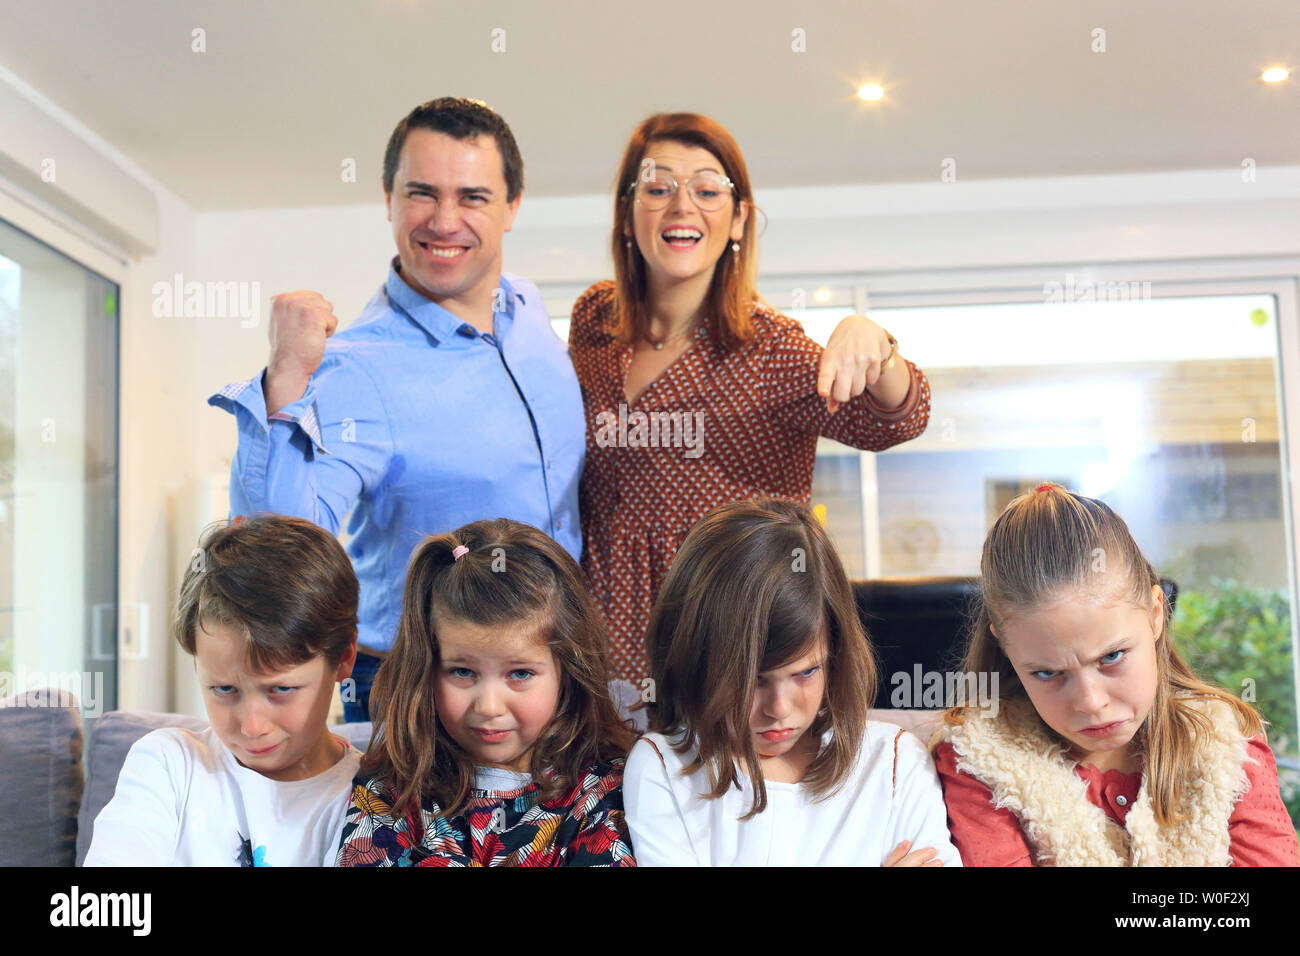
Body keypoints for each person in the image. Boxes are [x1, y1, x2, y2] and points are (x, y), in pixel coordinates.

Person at [209, 98, 583, 721]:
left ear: (512, 206)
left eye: (472, 197)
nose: (444, 220)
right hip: (420, 684)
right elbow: (275, 545)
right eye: (422, 193)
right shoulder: (354, 365)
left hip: (550, 670)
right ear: (387, 198)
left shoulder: (529, 310)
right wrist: (285, 378)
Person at [570, 113, 932, 687]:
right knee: (606, 782)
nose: (681, 206)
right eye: (657, 187)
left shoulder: (768, 348)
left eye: (707, 190)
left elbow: (897, 420)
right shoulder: (594, 321)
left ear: (738, 219)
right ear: (626, 213)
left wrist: (876, 344)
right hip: (593, 655)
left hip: (727, 651)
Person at [934, 483, 1299, 866]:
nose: (1091, 702)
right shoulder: (978, 760)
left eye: (1112, 657)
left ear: (1157, 613)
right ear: (1006, 649)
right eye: (1046, 672)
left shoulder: (1225, 743)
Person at [622, 498, 960, 866]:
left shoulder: (896, 762)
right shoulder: (664, 767)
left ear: (836, 652)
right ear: (697, 660)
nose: (779, 709)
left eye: (805, 672)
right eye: (752, 680)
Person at [335, 518, 636, 866]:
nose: (489, 706)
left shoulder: (606, 791)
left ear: (567, 671)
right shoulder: (390, 790)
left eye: (520, 673)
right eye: (462, 672)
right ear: (425, 670)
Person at [84, 516, 361, 867]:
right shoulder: (169, 766)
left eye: (281, 689)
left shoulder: (372, 800)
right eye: (225, 689)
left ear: (344, 658)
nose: (252, 726)